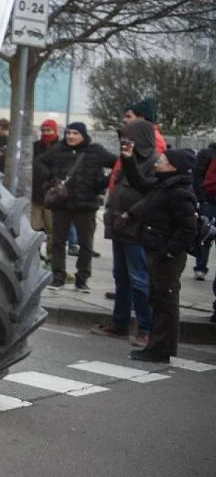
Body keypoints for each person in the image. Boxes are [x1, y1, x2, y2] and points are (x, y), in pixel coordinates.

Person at [119, 146, 200, 363]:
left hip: (167, 256)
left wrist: (169, 252)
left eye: (162, 159)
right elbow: (138, 182)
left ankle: (161, 350)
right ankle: (156, 346)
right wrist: (128, 160)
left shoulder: (179, 192)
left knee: (166, 301)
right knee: (159, 298)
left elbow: (188, 229)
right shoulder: (163, 185)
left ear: (174, 166)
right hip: (157, 252)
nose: (157, 162)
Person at [98, 120, 156, 344]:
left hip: (136, 231)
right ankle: (119, 323)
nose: (124, 141)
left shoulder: (153, 162)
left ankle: (145, 328)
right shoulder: (126, 161)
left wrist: (131, 213)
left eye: (129, 137)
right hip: (120, 229)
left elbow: (151, 193)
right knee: (121, 278)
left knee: (139, 281)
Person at [36, 122, 114, 291]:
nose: (71, 136)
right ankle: (58, 277)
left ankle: (82, 279)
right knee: (58, 242)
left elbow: (117, 164)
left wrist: (102, 184)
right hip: (62, 205)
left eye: (75, 133)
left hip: (86, 207)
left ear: (83, 135)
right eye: (68, 133)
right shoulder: (58, 150)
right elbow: (40, 162)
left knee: (85, 244)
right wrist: (50, 180)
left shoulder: (95, 151)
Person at [190, 140, 215, 283]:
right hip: (208, 200)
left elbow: (197, 175)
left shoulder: (206, 153)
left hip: (208, 200)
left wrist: (201, 198)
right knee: (206, 234)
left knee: (205, 236)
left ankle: (200, 268)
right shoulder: (207, 153)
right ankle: (200, 267)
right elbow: (197, 176)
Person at [31, 119, 61, 238]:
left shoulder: (61, 147)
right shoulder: (35, 146)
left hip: (53, 195)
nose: (46, 133)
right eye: (43, 130)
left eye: (49, 130)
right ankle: (35, 254)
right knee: (34, 228)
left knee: (52, 228)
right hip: (36, 193)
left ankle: (51, 256)